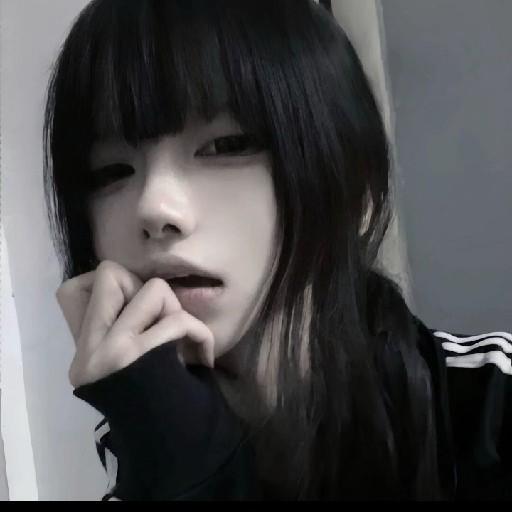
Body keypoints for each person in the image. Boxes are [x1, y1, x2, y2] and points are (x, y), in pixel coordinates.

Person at [44, 0, 511, 501]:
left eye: (226, 146)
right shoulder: (152, 451)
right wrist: (186, 471)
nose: (153, 208)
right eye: (110, 171)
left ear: (357, 195)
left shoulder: (493, 407)